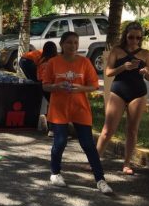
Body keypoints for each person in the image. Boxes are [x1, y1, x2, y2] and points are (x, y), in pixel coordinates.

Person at [42, 31, 113, 194]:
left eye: (75, 42)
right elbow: (45, 85)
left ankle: (100, 180)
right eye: (69, 43)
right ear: (61, 44)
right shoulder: (53, 62)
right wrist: (56, 86)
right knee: (60, 142)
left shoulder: (85, 62)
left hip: (80, 108)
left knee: (88, 144)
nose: (73, 46)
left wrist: (81, 88)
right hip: (59, 109)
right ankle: (55, 173)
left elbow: (94, 85)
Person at [96, 22, 149, 175]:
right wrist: (123, 67)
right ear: (125, 36)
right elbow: (108, 72)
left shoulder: (146, 53)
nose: (134, 41)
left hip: (138, 93)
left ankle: (127, 163)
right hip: (119, 91)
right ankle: (94, 161)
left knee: (132, 130)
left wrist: (145, 72)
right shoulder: (117, 51)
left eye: (138, 38)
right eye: (131, 37)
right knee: (108, 130)